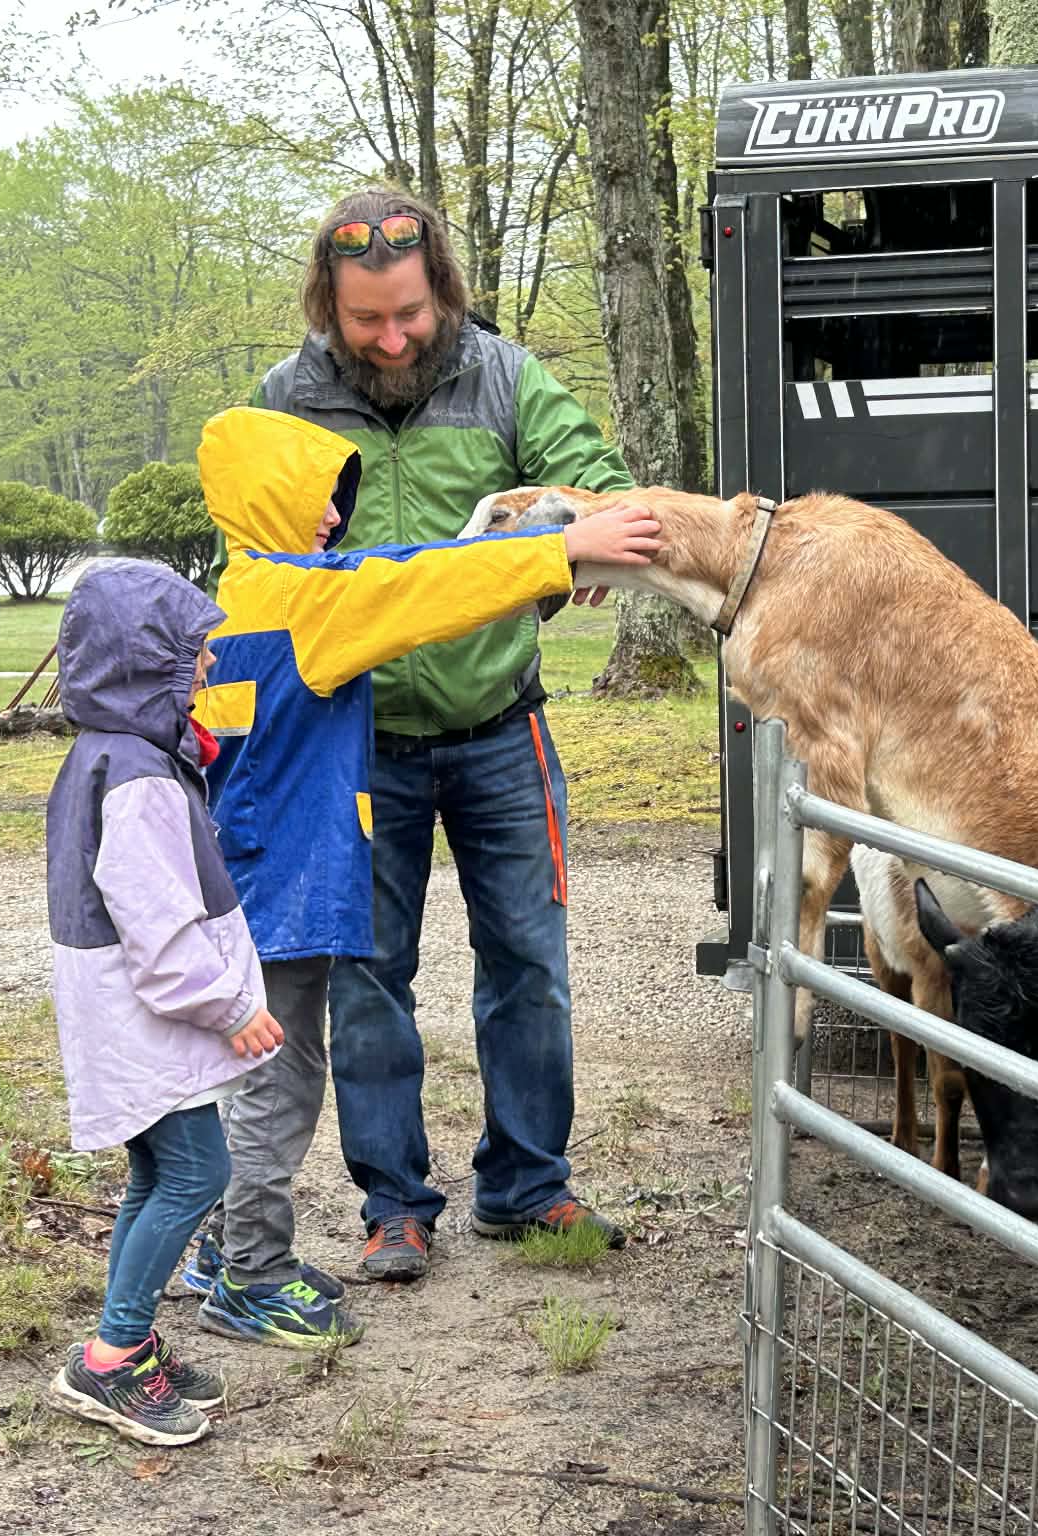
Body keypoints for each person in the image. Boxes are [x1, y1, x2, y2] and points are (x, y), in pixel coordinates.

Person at [177, 404, 661, 1346]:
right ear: (264, 500)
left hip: (239, 884)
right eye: (315, 499)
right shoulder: (304, 603)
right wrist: (565, 551)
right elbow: (421, 586)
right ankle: (252, 1273)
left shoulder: (227, 600)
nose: (332, 519)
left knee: (236, 1077)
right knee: (278, 1083)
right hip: (289, 893)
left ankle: (216, 1246)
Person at [250, 184, 637, 1282]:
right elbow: (251, 545)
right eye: (366, 318)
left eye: (409, 312)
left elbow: (601, 487)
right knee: (369, 975)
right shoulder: (286, 396)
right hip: (354, 740)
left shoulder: (505, 375)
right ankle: (394, 1205)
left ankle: (526, 1186)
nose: (391, 336)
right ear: (329, 305)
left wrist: (569, 536)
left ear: (442, 288)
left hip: (498, 729)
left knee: (528, 964)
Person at [43, 557, 286, 1447]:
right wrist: (228, 1006)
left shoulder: (112, 755)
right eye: (194, 655)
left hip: (132, 1015)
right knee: (196, 1172)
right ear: (143, 662)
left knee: (157, 1173)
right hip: (155, 1014)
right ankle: (109, 1357)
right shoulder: (138, 774)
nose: (208, 668)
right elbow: (157, 925)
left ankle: (129, 1339)